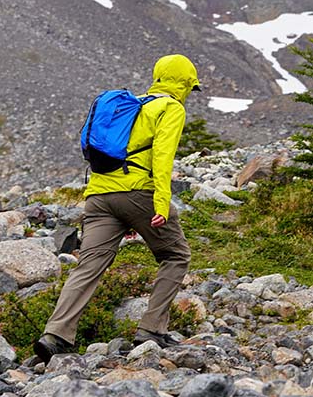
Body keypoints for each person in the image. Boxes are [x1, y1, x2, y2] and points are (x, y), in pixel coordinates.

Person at [32, 54, 199, 362]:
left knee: (88, 266)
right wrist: (159, 204)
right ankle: (151, 330)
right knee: (175, 255)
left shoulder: (131, 105)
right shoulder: (170, 108)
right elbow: (162, 160)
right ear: (186, 84)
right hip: (139, 194)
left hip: (98, 196)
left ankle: (55, 335)